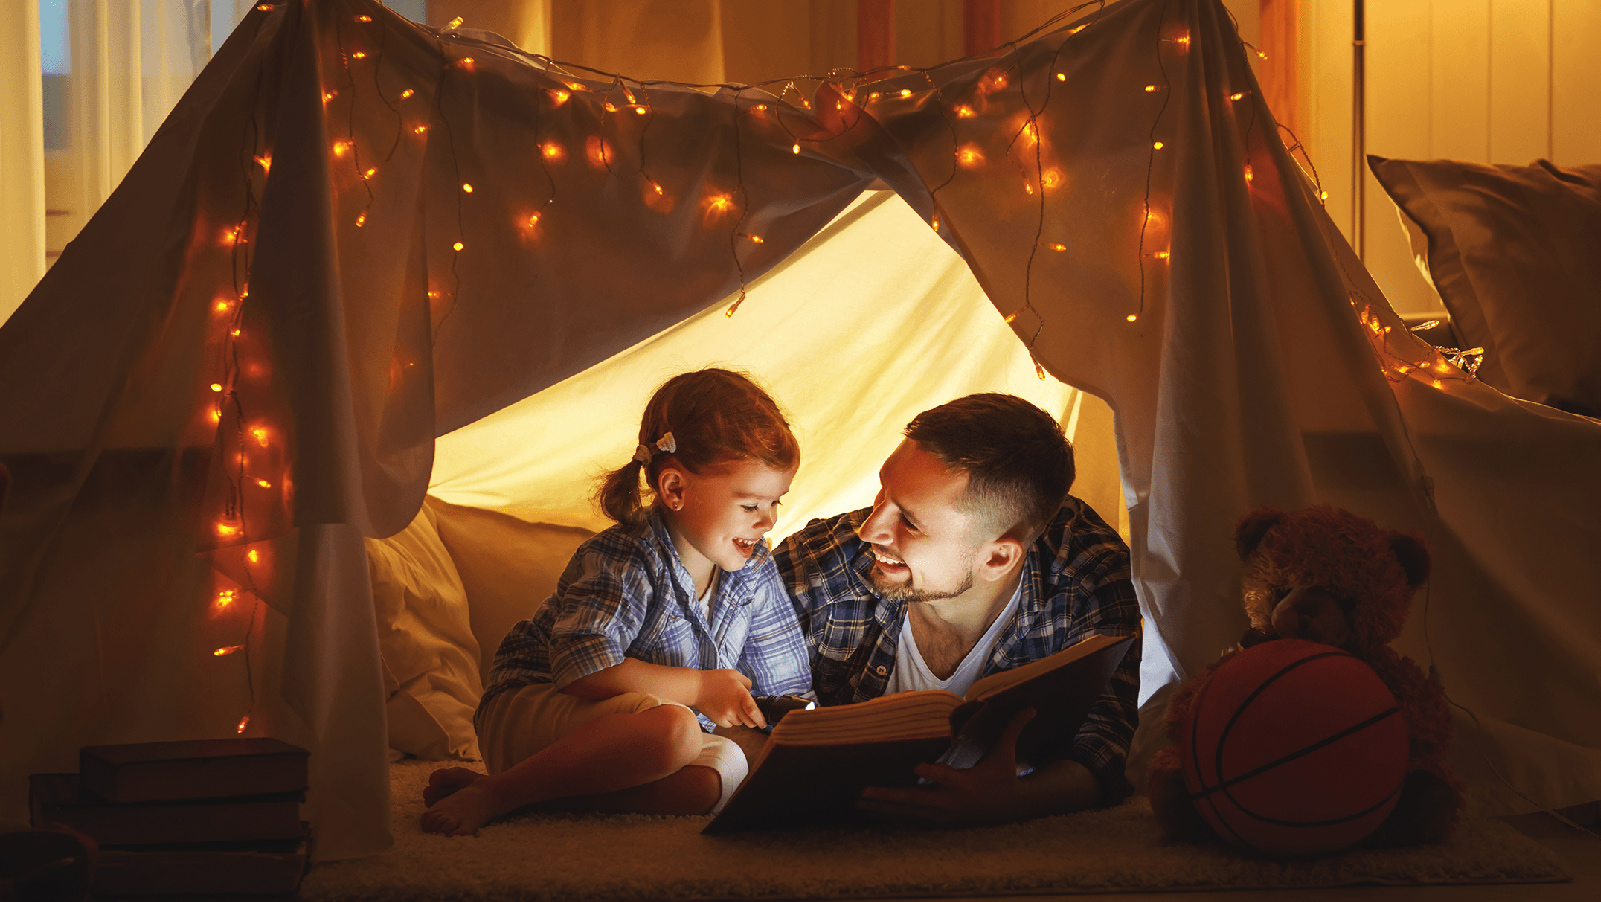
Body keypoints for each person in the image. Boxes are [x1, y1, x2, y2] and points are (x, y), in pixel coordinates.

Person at [421, 368, 813, 835]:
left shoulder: (754, 569)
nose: (767, 520)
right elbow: (581, 670)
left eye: (776, 503)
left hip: (637, 743)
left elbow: (784, 689)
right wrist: (701, 689)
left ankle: (528, 796)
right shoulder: (627, 557)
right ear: (675, 490)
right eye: (751, 506)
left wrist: (781, 725)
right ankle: (500, 791)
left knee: (723, 772)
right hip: (539, 712)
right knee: (676, 729)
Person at [773, 393, 1141, 826]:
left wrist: (1016, 801)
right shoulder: (819, 568)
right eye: (882, 493)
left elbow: (1106, 745)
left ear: (997, 558)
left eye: (908, 521)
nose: (870, 529)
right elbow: (728, 705)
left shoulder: (1086, 577)